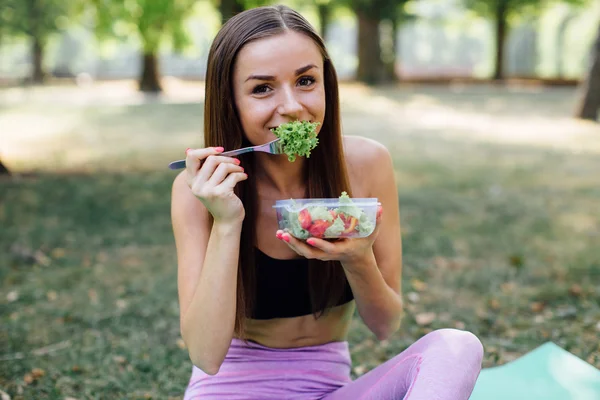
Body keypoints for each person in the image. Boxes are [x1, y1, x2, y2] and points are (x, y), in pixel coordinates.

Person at [171, 5, 484, 400]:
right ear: (230, 100)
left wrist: (357, 258)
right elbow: (205, 355)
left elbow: (385, 324)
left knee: (456, 347)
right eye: (262, 88)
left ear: (327, 84)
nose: (292, 106)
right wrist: (227, 222)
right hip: (231, 391)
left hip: (329, 390)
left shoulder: (367, 165)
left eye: (305, 80)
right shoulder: (199, 189)